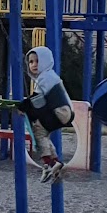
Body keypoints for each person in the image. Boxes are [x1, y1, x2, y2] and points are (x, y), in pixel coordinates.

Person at [16, 46, 74, 183]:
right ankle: (55, 163)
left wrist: (22, 107)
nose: (34, 65)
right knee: (44, 133)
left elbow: (36, 98)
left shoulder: (46, 77)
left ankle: (48, 164)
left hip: (61, 111)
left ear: (46, 61)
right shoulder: (50, 76)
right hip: (64, 112)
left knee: (39, 132)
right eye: (31, 62)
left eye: (37, 61)